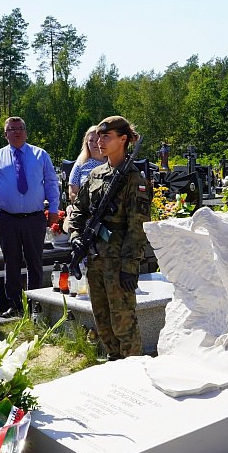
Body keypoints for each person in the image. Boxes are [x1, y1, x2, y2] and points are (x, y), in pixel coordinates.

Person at [65, 116, 150, 360]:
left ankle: (134, 371)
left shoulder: (135, 180)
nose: (99, 141)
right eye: (99, 136)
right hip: (95, 260)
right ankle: (114, 366)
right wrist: (75, 237)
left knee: (124, 324)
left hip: (119, 263)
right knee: (103, 321)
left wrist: (129, 267)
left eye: (106, 136)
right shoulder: (96, 175)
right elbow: (80, 211)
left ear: (123, 139)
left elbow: (137, 227)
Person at [0, 116, 60, 318]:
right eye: (12, 129)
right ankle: (14, 304)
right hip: (8, 219)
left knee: (35, 262)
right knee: (11, 262)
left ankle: (36, 304)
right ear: (5, 134)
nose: (16, 132)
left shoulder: (40, 155)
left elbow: (51, 183)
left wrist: (53, 210)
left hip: (34, 218)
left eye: (20, 128)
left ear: (26, 132)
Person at [68, 125, 103, 202]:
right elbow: (72, 192)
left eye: (97, 140)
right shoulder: (81, 162)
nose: (94, 143)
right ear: (86, 142)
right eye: (91, 140)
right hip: (84, 208)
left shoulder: (111, 161)